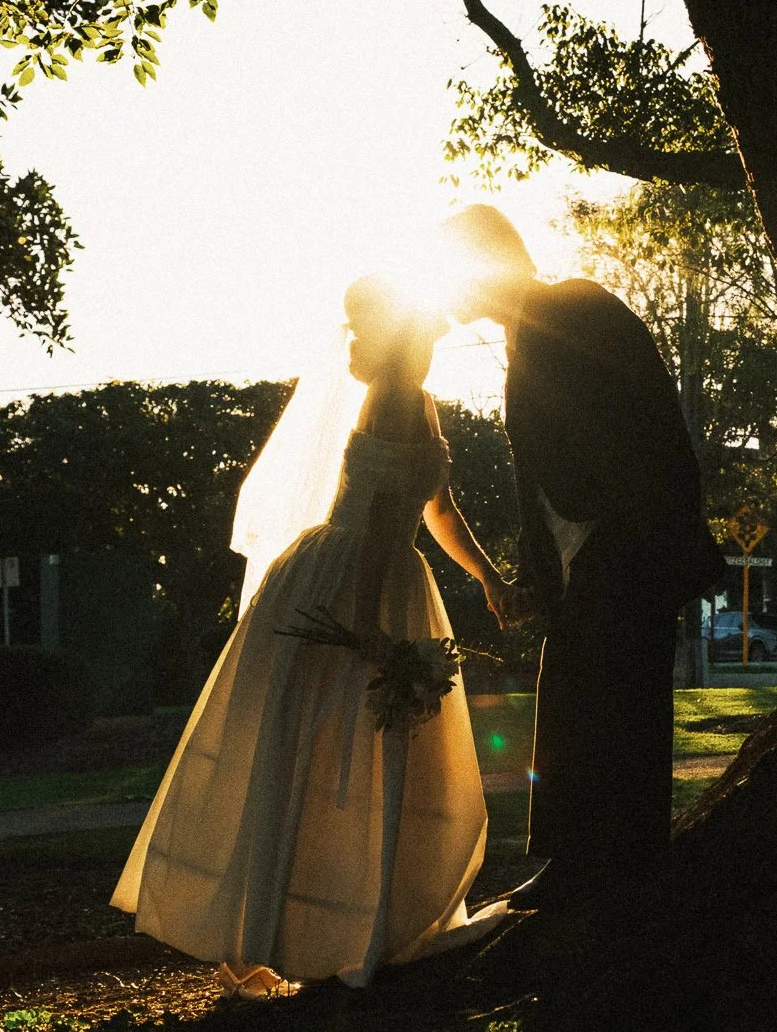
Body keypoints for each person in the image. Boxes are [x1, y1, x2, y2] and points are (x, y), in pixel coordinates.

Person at [111, 275, 508, 987]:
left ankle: (343, 929)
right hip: (354, 581)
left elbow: (436, 510)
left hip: (379, 579)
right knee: (318, 753)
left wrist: (488, 576)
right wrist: (363, 626)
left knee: (346, 756)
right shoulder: (389, 397)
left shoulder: (415, 400)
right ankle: (301, 935)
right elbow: (384, 518)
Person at [439, 205, 724, 891]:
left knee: (618, 711)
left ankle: (620, 869)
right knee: (572, 704)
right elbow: (538, 475)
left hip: (626, 549)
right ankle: (571, 862)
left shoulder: (576, 308)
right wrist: (539, 571)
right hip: (582, 559)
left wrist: (622, 534)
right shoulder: (523, 334)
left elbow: (643, 429)